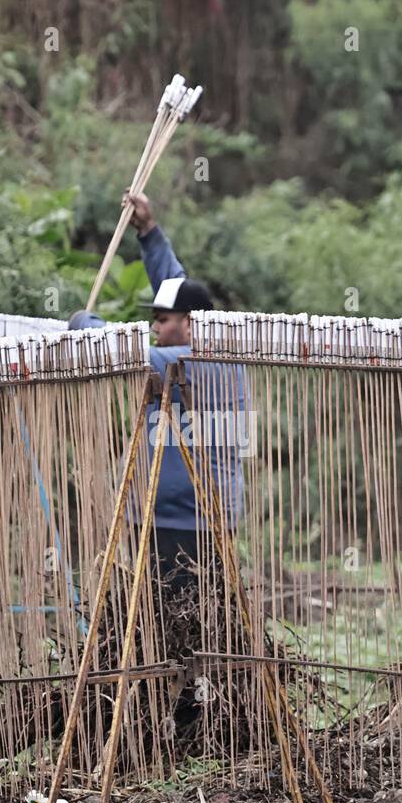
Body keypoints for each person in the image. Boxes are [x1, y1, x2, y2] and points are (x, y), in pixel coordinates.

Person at [69, 193, 248, 601]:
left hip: (193, 522)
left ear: (189, 324)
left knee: (187, 620)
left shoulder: (206, 360)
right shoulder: (207, 342)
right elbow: (178, 286)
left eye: (162, 320)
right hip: (169, 517)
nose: (154, 328)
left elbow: (125, 353)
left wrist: (85, 324)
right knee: (165, 617)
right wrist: (148, 232)